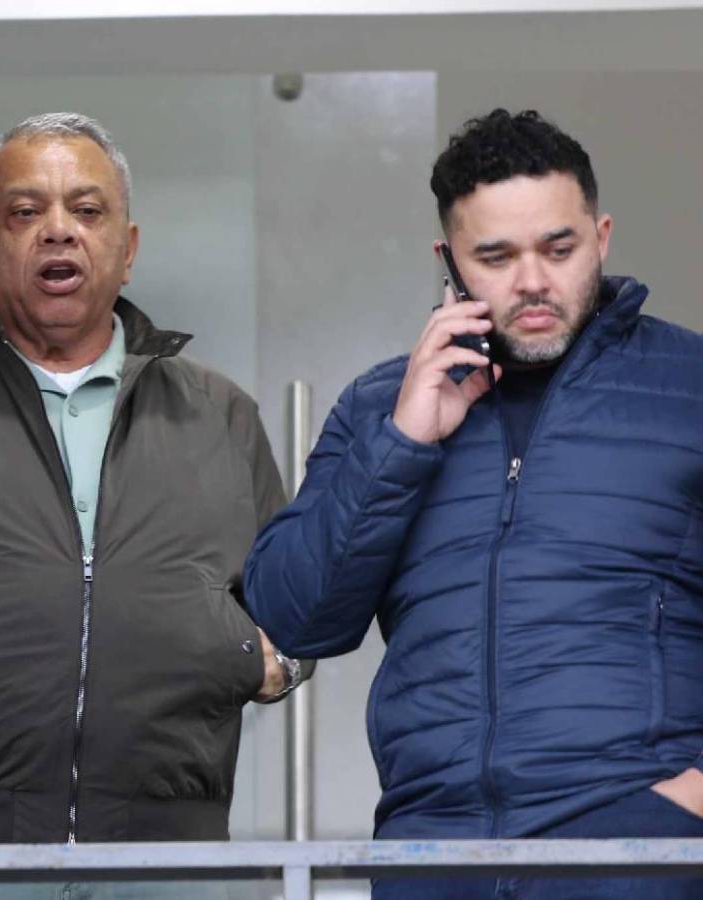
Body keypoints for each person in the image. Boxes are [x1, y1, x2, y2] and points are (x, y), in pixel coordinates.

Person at [244, 108, 703, 900]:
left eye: (559, 248)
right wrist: (404, 441)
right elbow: (293, 618)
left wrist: (684, 808)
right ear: (448, 260)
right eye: (495, 255)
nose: (531, 280)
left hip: (640, 848)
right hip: (431, 856)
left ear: (601, 236)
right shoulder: (378, 406)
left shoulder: (687, 387)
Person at [0, 112, 309, 896]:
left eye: (88, 210)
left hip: (176, 862)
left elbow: (290, 608)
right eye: (25, 212)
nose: (59, 232)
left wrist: (267, 658)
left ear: (127, 250)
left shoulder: (219, 413)